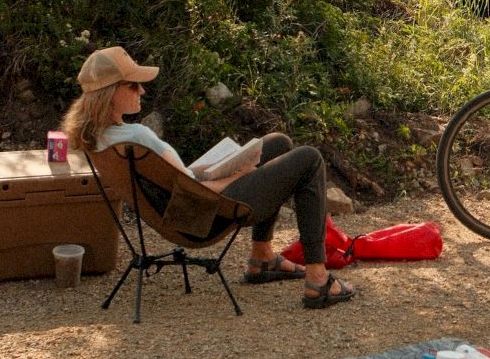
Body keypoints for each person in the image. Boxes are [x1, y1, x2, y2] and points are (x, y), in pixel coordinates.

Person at [62, 47, 357, 309]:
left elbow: (177, 180)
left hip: (183, 208)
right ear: (112, 92)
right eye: (134, 85)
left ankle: (262, 257)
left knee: (277, 143)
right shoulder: (137, 137)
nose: (142, 91)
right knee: (309, 159)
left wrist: (215, 168)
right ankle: (318, 279)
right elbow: (194, 191)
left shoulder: (99, 139)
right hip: (203, 215)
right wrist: (240, 171)